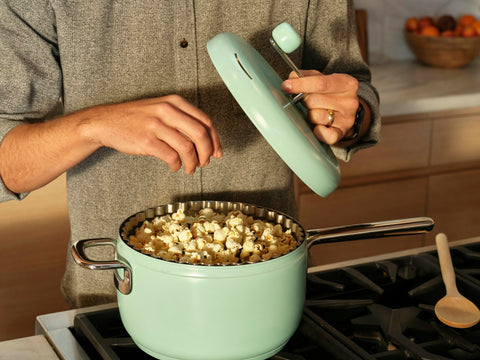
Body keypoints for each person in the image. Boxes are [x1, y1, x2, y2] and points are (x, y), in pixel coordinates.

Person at [0, 0, 380, 308]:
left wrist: (349, 114)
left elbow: (353, 93)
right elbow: (7, 164)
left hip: (266, 284)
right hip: (116, 290)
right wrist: (94, 125)